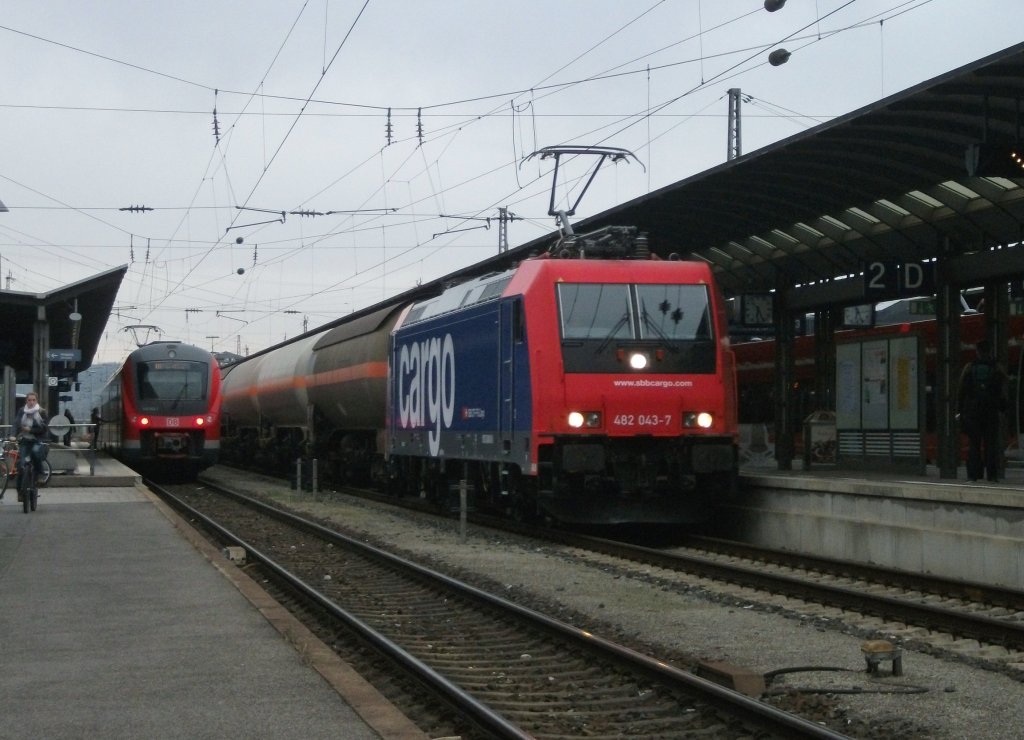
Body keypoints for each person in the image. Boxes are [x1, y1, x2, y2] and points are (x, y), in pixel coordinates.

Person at [957, 339, 1008, 482]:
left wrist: (959, 412)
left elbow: (961, 392)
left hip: (973, 413)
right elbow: (1002, 393)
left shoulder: (969, 368)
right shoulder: (997, 368)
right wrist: (1003, 408)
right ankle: (992, 475)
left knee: (974, 443)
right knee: (991, 444)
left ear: (977, 351)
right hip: (991, 412)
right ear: (990, 351)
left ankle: (974, 474)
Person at [13, 391, 49, 498]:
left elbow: (44, 428)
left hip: (37, 440)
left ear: (36, 401)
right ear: (26, 401)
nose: (31, 402)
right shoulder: (22, 411)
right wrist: (13, 435)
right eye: (29, 400)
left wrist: (31, 430)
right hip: (25, 440)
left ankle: (40, 474)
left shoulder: (41, 412)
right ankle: (20, 491)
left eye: (33, 400)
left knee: (35, 452)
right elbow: (16, 423)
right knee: (21, 465)